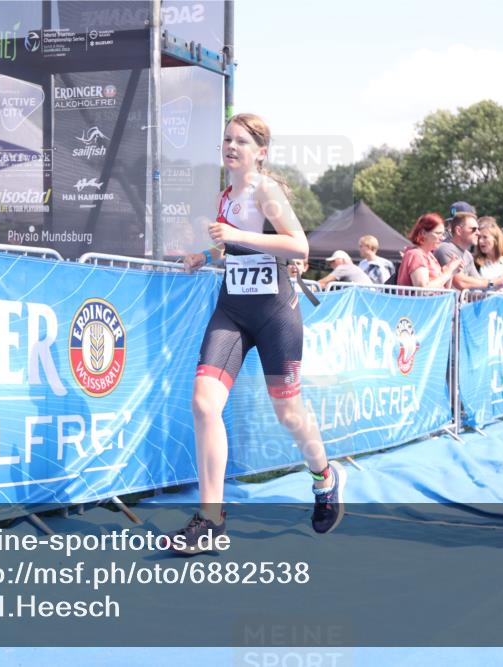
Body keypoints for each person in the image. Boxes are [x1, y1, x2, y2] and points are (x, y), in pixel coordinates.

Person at [179, 113, 345, 554]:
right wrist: (204, 254)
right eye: (227, 139)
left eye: (241, 141)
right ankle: (210, 518)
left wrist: (234, 234)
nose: (231, 146)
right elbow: (232, 246)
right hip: (232, 309)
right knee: (203, 402)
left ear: (261, 152)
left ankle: (324, 477)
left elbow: (299, 246)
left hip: (274, 312)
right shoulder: (224, 197)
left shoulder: (265, 190)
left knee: (289, 413)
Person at [433, 201, 489, 290]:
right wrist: (492, 283)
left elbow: (479, 283)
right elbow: (461, 282)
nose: (450, 227)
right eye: (451, 223)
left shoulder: (467, 254)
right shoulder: (444, 248)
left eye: (456, 221)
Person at [397, 213, 462, 288]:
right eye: (438, 233)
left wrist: (450, 271)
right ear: (423, 233)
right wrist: (448, 272)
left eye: (443, 234)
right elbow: (423, 290)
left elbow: (444, 289)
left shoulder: (430, 256)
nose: (442, 238)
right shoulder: (416, 255)